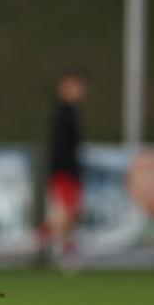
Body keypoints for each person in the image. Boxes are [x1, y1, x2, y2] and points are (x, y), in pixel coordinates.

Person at [39, 69, 87, 266]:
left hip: (69, 171)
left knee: (69, 214)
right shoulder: (63, 113)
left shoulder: (72, 113)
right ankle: (44, 243)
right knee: (65, 214)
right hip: (64, 171)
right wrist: (61, 170)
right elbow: (60, 147)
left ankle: (63, 250)